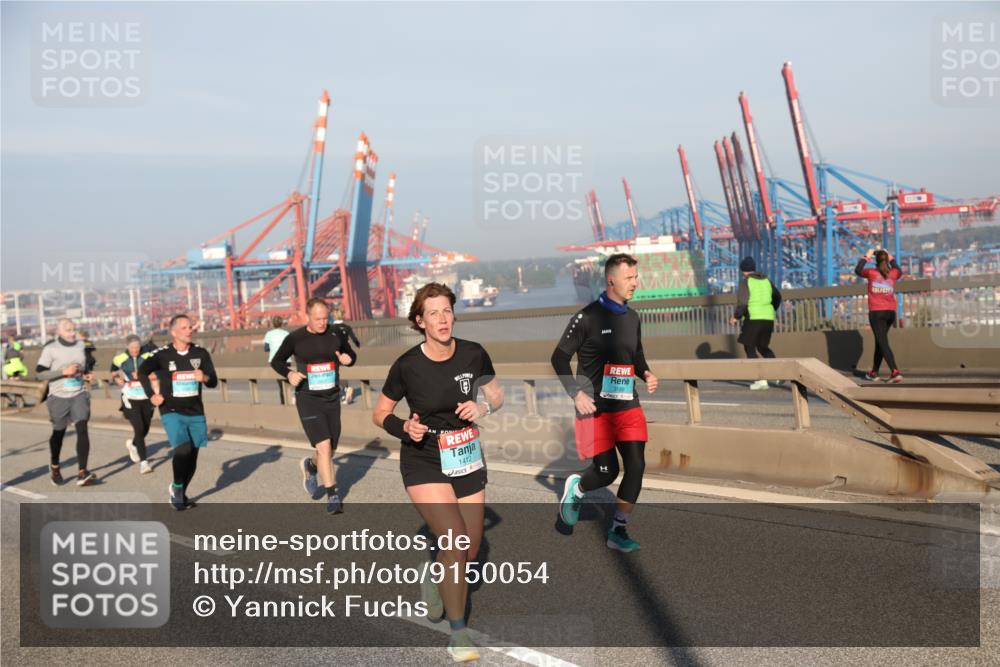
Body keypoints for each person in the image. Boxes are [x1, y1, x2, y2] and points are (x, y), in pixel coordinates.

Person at [372, 282, 503, 662]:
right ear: (420, 321)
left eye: (446, 310)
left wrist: (483, 409)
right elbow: (380, 413)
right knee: (455, 540)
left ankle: (434, 576)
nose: (442, 319)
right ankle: (458, 633)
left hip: (466, 455)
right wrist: (403, 427)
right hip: (424, 457)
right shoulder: (407, 365)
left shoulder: (474, 354)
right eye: (433, 313)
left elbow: (496, 395)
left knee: (470, 549)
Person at [552, 254, 658, 553]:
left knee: (636, 465)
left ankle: (618, 530)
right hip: (595, 407)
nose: (635, 283)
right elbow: (559, 357)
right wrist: (576, 393)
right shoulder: (587, 317)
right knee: (606, 471)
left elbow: (636, 356)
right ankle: (577, 488)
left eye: (636, 277)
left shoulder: (633, 318)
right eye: (629, 278)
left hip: (627, 404)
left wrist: (646, 373)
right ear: (611, 280)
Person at [270, 298, 357, 514]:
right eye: (317, 319)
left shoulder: (336, 333)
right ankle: (333, 495)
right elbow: (276, 361)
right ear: (307, 316)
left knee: (330, 449)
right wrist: (289, 373)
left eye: (325, 318)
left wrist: (348, 359)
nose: (322, 323)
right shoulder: (295, 338)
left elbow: (350, 354)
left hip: (332, 398)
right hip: (308, 399)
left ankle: (311, 465)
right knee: (324, 446)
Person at [138, 314, 218, 510]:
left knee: (192, 457)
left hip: (196, 411)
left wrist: (204, 377)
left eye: (190, 327)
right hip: (171, 410)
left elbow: (213, 381)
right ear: (173, 332)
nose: (189, 330)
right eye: (184, 328)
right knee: (183, 449)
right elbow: (142, 372)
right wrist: (151, 395)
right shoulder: (162, 354)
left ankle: (179, 492)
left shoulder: (200, 353)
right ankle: (177, 487)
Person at [35, 319, 97, 486]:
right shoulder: (51, 348)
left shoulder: (81, 346)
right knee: (59, 433)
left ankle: (82, 472)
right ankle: (55, 466)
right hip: (58, 396)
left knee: (82, 428)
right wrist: (63, 372)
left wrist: (87, 375)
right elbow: (40, 374)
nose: (72, 333)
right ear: (59, 332)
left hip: (79, 393)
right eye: (68, 330)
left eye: (73, 329)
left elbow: (84, 368)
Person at [729, 256, 782, 390]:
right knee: (763, 347)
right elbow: (777, 297)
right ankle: (780, 374)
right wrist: (770, 309)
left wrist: (736, 316)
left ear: (743, 270)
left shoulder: (746, 282)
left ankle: (761, 379)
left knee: (749, 347)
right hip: (768, 318)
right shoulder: (766, 280)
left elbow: (743, 302)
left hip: (753, 318)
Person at [855, 248, 904, 383]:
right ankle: (874, 372)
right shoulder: (893, 273)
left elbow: (858, 270)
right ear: (887, 259)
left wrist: (867, 256)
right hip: (890, 313)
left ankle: (895, 371)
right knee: (880, 341)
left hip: (877, 313)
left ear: (876, 261)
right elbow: (899, 269)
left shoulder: (871, 273)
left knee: (882, 342)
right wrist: (890, 257)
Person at [111, 335, 155, 474]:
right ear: (127, 347)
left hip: (146, 395)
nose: (135, 350)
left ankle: (134, 444)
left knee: (145, 428)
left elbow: (158, 370)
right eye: (132, 348)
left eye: (137, 347)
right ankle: (144, 463)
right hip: (130, 396)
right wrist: (117, 378)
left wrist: (145, 375)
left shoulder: (148, 355)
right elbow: (113, 371)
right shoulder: (120, 358)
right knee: (139, 428)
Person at [330, 305, 360, 405]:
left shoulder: (331, 328)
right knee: (340, 372)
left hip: (336, 352)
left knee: (335, 372)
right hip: (347, 352)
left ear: (333, 316)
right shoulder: (347, 327)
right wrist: (358, 345)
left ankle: (344, 390)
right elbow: (355, 339)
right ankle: (346, 391)